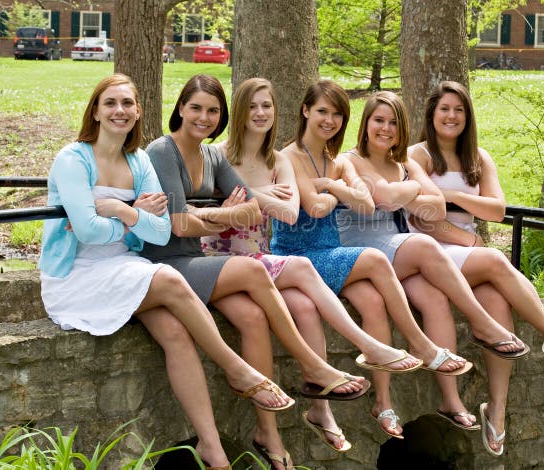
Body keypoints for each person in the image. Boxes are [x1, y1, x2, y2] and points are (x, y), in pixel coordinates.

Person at [39, 74, 294, 470]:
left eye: (127, 103)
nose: (119, 110)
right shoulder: (73, 159)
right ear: (95, 110)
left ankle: (213, 449)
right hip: (77, 274)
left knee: (175, 333)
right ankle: (237, 370)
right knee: (171, 279)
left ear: (139, 111)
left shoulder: (138, 161)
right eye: (110, 103)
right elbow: (87, 231)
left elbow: (159, 229)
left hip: (125, 266)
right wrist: (137, 217)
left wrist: (123, 212)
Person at [141, 74, 370, 470]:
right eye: (195, 108)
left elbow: (251, 207)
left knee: (252, 316)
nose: (204, 117)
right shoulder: (163, 150)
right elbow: (178, 225)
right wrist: (221, 214)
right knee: (253, 272)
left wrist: (216, 212)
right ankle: (313, 366)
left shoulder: (212, 157)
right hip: (164, 263)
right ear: (179, 108)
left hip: (195, 261)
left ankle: (269, 433)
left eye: (213, 111)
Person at [202, 78, 422, 458]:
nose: (260, 114)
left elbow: (289, 210)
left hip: (263, 258)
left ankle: (313, 410)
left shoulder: (277, 161)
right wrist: (261, 196)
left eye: (267, 107)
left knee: (307, 306)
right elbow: (295, 210)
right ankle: (372, 348)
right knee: (349, 263)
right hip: (234, 259)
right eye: (253, 106)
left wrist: (264, 196)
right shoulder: (218, 156)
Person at [272, 80, 483, 442]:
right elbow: (314, 206)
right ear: (305, 111)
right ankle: (421, 344)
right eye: (323, 111)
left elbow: (367, 203)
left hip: (330, 254)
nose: (330, 120)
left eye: (338, 114)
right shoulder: (287, 157)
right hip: (297, 255)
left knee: (372, 300)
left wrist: (333, 184)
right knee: (373, 260)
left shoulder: (335, 162)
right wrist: (340, 189)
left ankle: (372, 404)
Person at [407, 80, 544, 456]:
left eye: (459, 110)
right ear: (432, 114)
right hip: (431, 253)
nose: (452, 116)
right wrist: (465, 225)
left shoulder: (478, 159)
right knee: (496, 260)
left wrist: (449, 196)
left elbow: (497, 210)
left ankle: (496, 408)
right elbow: (422, 213)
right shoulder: (416, 156)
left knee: (498, 306)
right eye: (445, 109)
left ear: (467, 117)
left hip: (466, 256)